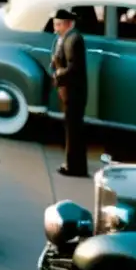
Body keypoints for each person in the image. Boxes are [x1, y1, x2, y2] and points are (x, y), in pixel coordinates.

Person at [51, 9, 88, 177]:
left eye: (58, 25)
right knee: (71, 129)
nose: (56, 28)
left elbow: (74, 67)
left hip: (74, 92)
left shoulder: (74, 40)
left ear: (67, 24)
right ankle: (73, 164)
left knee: (74, 131)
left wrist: (59, 73)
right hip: (68, 92)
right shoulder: (65, 38)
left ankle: (74, 167)